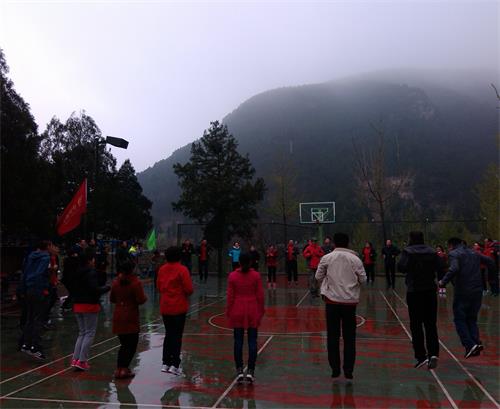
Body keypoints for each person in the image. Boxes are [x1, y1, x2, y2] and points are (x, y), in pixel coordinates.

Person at [315, 233, 366, 380]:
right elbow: (363, 279)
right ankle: (348, 370)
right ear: (348, 243)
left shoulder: (327, 258)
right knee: (350, 338)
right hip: (350, 303)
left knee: (333, 336)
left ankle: (335, 368)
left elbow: (318, 276)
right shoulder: (355, 259)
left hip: (332, 302)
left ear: (334, 243)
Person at [438, 237, 497, 358]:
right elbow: (490, 262)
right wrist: (492, 279)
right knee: (471, 318)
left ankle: (469, 345)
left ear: (451, 245)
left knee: (459, 319)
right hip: (477, 290)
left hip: (463, 290)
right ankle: (475, 342)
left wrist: (443, 281)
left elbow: (454, 268)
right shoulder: (474, 253)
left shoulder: (454, 254)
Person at [398, 232, 442, 369]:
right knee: (431, 324)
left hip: (414, 291)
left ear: (411, 239)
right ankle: (433, 353)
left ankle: (421, 355)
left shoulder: (408, 252)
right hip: (430, 291)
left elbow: (401, 267)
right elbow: (441, 266)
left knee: (416, 324)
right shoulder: (432, 252)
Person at [226, 253, 265, 383]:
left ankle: (239, 369)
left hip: (237, 309)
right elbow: (260, 295)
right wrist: (261, 310)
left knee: (238, 341)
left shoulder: (233, 276)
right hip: (252, 309)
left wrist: (229, 311)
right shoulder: (256, 276)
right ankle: (250, 371)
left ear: (239, 262)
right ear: (250, 262)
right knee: (252, 341)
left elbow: (230, 296)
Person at [68, 254, 110, 371]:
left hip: (77, 304)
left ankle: (75, 359)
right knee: (89, 333)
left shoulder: (76, 273)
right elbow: (95, 289)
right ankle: (82, 361)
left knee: (82, 333)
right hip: (89, 305)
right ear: (89, 261)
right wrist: (107, 288)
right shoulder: (91, 273)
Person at [157, 246, 193, 376]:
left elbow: (159, 286)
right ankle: (175, 364)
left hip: (166, 306)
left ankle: (165, 362)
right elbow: (189, 289)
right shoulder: (182, 269)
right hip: (178, 307)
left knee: (169, 334)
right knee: (177, 336)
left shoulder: (162, 269)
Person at [110, 261, 147, 379]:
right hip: (130, 316)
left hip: (118, 316)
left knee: (124, 345)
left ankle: (119, 369)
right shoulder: (135, 282)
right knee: (131, 345)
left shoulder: (116, 282)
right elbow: (141, 299)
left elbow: (112, 299)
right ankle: (124, 369)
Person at [19, 241, 52, 359]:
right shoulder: (45, 258)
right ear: (47, 247)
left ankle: (26, 344)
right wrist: (44, 288)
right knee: (38, 318)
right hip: (38, 290)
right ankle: (35, 346)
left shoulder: (31, 257)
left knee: (30, 317)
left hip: (29, 289)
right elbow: (39, 274)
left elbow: (25, 273)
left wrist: (23, 289)